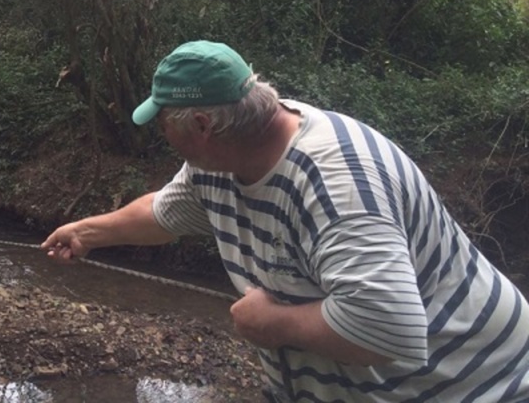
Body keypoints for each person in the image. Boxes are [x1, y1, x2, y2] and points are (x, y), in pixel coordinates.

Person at [42, 40, 529, 402]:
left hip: (471, 387)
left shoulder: (337, 183)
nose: (160, 134)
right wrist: (86, 233)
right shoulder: (219, 164)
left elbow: (388, 330)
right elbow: (165, 212)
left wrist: (273, 323)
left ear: (203, 125)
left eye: (164, 122)